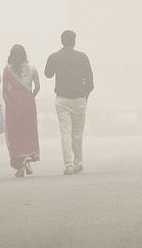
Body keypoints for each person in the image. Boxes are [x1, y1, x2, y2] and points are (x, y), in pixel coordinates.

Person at [44, 29, 94, 175]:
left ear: (61, 41)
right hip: (79, 98)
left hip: (62, 99)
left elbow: (48, 74)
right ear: (74, 41)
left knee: (65, 132)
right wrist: (85, 97)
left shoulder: (55, 57)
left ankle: (69, 164)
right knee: (77, 133)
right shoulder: (82, 57)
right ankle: (78, 162)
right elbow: (90, 80)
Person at [2, 44, 41, 178]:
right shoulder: (33, 68)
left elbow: (5, 92)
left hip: (14, 106)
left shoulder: (7, 70)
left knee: (15, 135)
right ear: (24, 54)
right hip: (29, 105)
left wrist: (11, 103)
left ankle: (20, 164)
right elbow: (37, 87)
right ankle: (27, 159)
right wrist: (30, 98)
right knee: (28, 132)